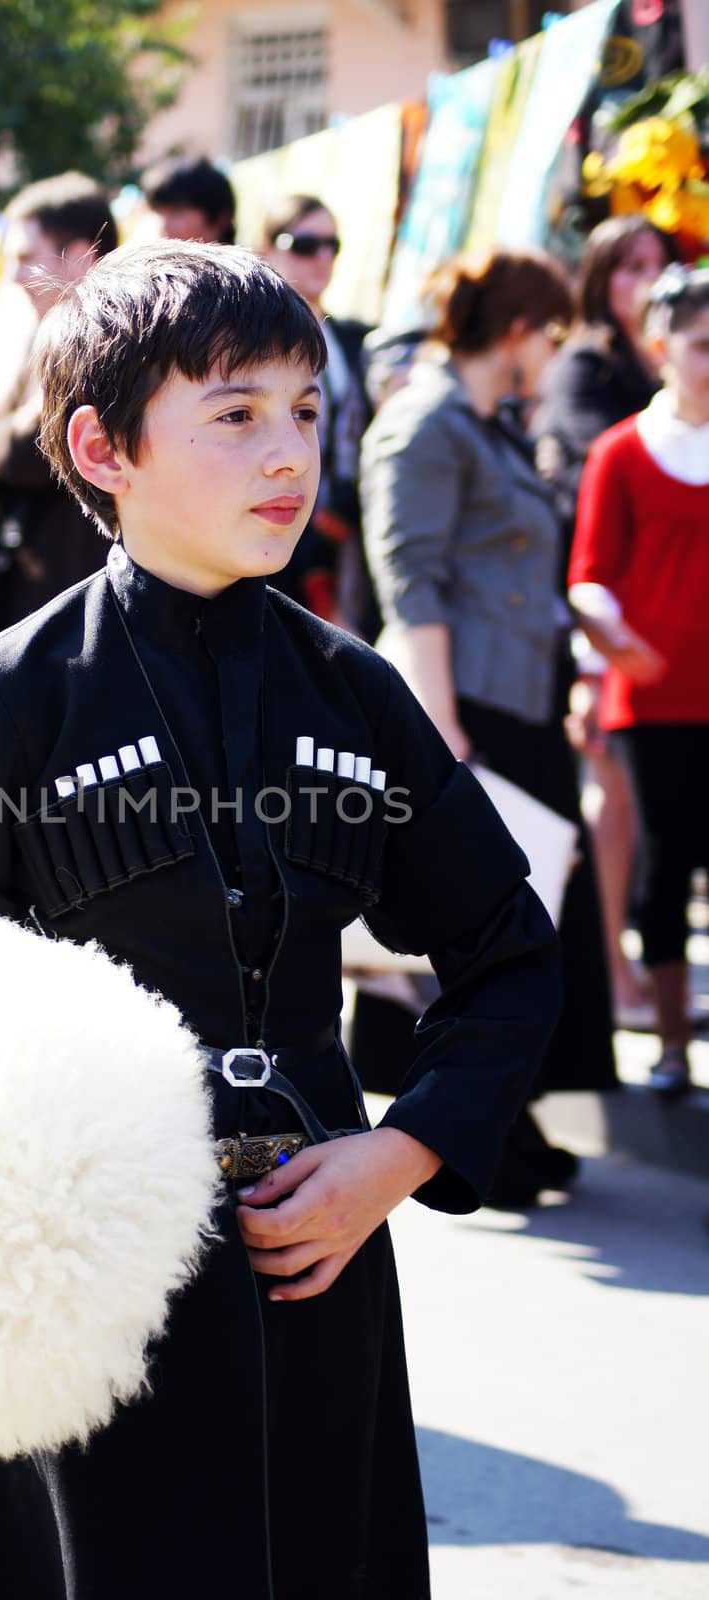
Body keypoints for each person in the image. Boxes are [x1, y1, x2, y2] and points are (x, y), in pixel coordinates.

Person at [0, 241, 561, 1599]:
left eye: (303, 410)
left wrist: (395, 1155)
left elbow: (509, 958)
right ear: (101, 448)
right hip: (74, 1303)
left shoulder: (353, 695)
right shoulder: (3, 701)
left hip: (313, 1267)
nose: (285, 452)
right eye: (232, 416)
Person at [359, 247, 617, 1207]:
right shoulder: (426, 422)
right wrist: (442, 731)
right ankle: (473, 1133)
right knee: (484, 929)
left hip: (513, 702)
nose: (554, 352)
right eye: (549, 331)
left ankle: (512, 1115)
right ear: (517, 329)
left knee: (527, 925)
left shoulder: (484, 425)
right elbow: (409, 574)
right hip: (463, 711)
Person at [568, 265, 709, 1096]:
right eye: (697, 344)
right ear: (661, 346)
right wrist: (608, 645)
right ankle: (667, 1044)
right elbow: (588, 574)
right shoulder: (618, 449)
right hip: (650, 698)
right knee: (664, 865)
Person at [534, 217, 674, 1024]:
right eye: (626, 267)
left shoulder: (674, 349)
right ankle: (613, 964)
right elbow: (595, 476)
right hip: (594, 605)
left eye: (656, 265)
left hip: (663, 609)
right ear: (596, 279)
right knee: (613, 790)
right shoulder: (584, 364)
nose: (643, 282)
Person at [0, 172, 116, 654]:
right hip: (29, 600)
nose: (14, 277)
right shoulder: (40, 338)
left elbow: (27, 450)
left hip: (72, 614)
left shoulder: (103, 345)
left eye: (25, 257)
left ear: (81, 256)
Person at [260, 194, 377, 635]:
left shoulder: (351, 338)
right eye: (306, 244)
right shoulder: (251, 341)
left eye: (333, 245)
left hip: (342, 530)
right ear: (269, 247)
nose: (322, 257)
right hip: (273, 518)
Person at [142, 154, 237, 243]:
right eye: (158, 213)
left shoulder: (247, 260)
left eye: (177, 211)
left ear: (221, 217)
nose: (164, 226)